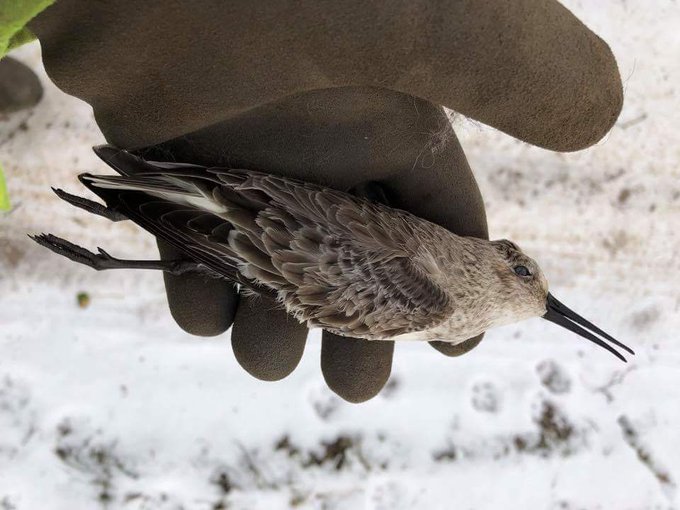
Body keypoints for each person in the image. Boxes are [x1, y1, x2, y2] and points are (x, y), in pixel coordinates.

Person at [6, 1, 623, 402]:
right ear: (499, 260)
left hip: (259, 224)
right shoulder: (428, 301)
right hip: (252, 226)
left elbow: (291, 259)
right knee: (212, 260)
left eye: (530, 283)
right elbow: (282, 263)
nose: (536, 298)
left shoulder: (436, 268)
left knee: (214, 255)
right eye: (524, 274)